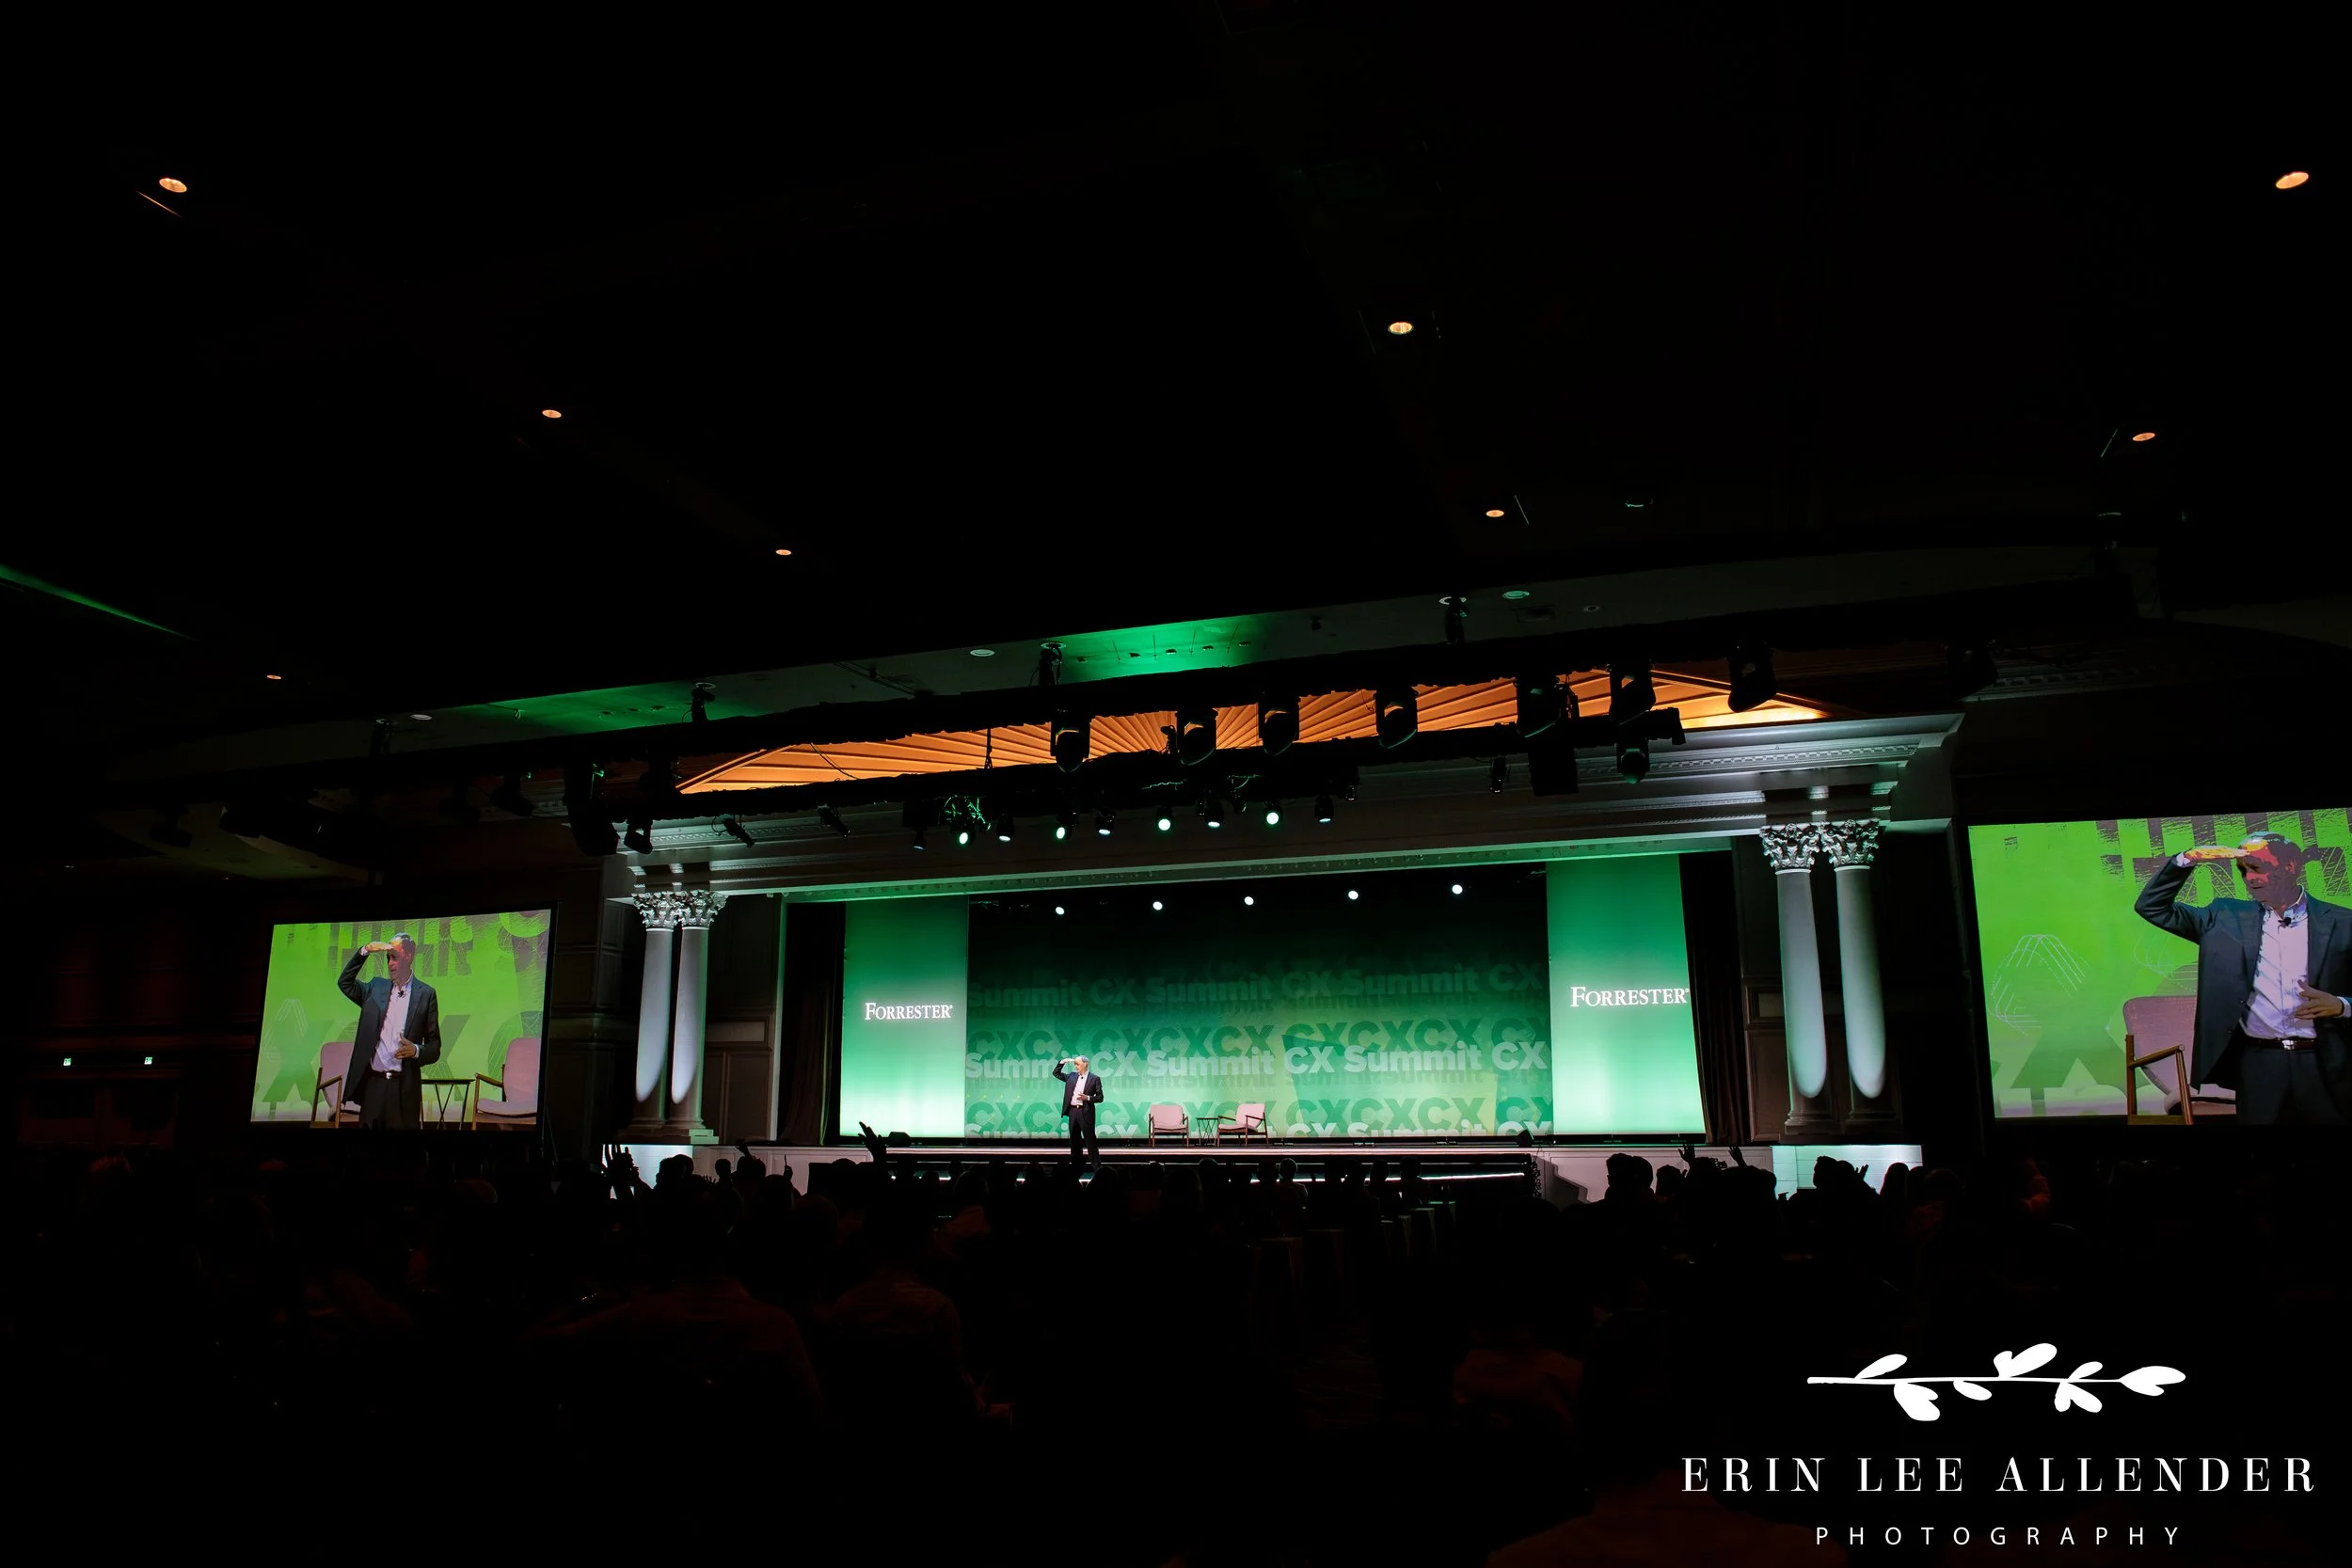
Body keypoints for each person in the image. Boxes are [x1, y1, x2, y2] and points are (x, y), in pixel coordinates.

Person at [2137, 832, 2351, 1124]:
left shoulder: (2343, 922)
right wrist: (2187, 860)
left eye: (2257, 867)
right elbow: (2152, 907)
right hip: (2259, 1064)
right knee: (2261, 1163)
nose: (2249, 878)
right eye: (2243, 870)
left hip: (2325, 1062)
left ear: (2290, 866)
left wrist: (2342, 1005)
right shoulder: (2224, 918)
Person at [336, 933, 443, 1130]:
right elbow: (345, 983)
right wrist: (365, 951)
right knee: (367, 1155)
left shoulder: (426, 995)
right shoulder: (375, 988)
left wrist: (416, 1050)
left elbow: (435, 1046)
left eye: (395, 957)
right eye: (388, 959)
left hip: (403, 1089)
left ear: (409, 956)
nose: (390, 963)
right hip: (373, 1086)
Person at [1051, 1054, 1104, 1173]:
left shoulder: (1094, 1078)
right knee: (1074, 1140)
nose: (1076, 1066)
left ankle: (1097, 1167)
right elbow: (1056, 1073)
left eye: (1078, 1064)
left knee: (1090, 1140)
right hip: (1073, 1111)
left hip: (1086, 1112)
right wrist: (1062, 1062)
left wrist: (1088, 1098)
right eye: (1075, 1064)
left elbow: (1100, 1097)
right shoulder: (1071, 1076)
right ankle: (1076, 1166)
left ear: (1085, 1064)